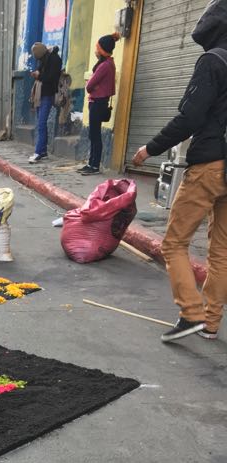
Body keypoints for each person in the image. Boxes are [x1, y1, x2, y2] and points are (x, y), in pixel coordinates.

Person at [133, 0, 227, 342]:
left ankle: (191, 314)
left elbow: (190, 117)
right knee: (221, 250)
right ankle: (211, 323)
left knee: (174, 243)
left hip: (209, 166)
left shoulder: (212, 61)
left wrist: (150, 148)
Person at [80, 33, 118, 174]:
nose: (95, 51)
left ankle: (94, 165)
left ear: (102, 50)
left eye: (97, 48)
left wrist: (92, 86)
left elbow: (90, 85)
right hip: (99, 101)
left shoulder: (105, 66)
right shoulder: (108, 64)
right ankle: (91, 163)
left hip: (98, 102)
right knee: (94, 134)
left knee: (95, 134)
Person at [28, 42, 62, 163]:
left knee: (41, 123)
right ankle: (43, 151)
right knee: (40, 123)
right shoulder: (44, 58)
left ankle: (38, 152)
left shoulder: (54, 59)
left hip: (48, 94)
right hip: (40, 93)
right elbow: (41, 70)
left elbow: (51, 77)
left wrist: (39, 75)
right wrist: (37, 73)